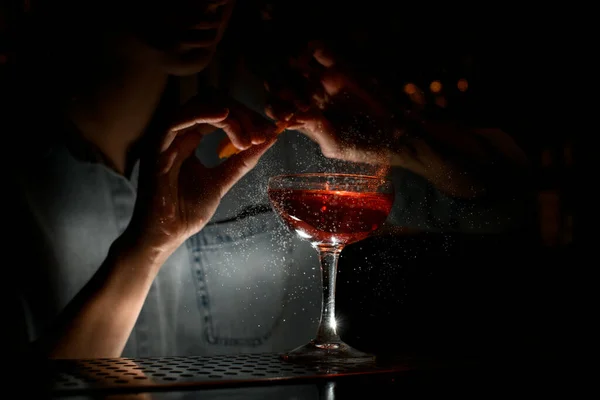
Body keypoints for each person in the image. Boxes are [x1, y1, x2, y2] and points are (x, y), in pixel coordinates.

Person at [6, 0, 530, 361]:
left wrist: (398, 138)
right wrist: (143, 251)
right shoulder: (23, 179)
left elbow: (507, 208)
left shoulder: (286, 128)